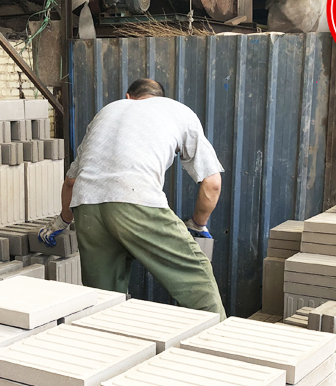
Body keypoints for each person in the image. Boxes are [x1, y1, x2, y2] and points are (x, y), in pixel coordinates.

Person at [38, 78, 226, 320]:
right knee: (197, 281)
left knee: (103, 301)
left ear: (128, 97)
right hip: (137, 200)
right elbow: (212, 183)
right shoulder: (179, 111)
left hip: (87, 207)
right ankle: (220, 339)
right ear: (160, 97)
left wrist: (62, 222)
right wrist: (198, 225)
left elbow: (71, 182)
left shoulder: (107, 111)